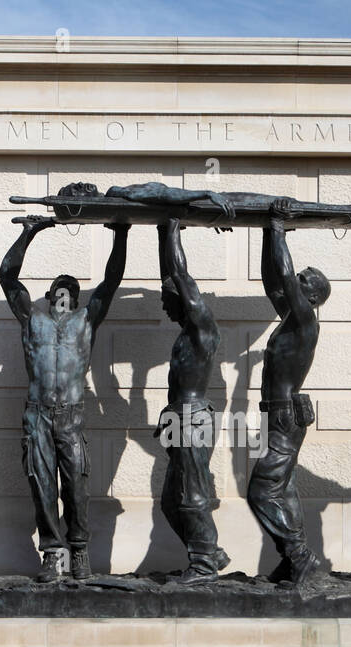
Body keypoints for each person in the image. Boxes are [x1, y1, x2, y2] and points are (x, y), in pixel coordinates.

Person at [0, 215, 129, 582]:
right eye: (58, 289)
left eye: (68, 290)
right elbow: (7, 278)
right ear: (49, 296)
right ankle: (53, 554)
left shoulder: (86, 321)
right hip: (37, 414)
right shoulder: (32, 321)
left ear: (75, 298)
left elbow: (112, 280)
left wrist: (121, 231)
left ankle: (80, 550)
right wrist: (29, 232)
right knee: (42, 484)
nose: (62, 294)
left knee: (77, 486)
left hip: (71, 414)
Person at [247, 197, 332, 586]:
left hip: (283, 414)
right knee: (285, 489)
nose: (294, 283)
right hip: (276, 413)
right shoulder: (292, 321)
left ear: (311, 297)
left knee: (261, 492)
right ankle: (292, 562)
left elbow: (283, 275)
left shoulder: (305, 321)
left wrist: (279, 225)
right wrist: (269, 232)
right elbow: (273, 279)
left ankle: (300, 555)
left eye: (301, 283)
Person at [154, 216, 228, 584]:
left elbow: (182, 278)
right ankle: (210, 552)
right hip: (178, 419)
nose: (164, 308)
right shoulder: (186, 332)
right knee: (170, 501)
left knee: (190, 493)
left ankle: (203, 564)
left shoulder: (202, 328)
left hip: (194, 418)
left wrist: (172, 230)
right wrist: (161, 233)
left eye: (167, 301)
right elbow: (171, 277)